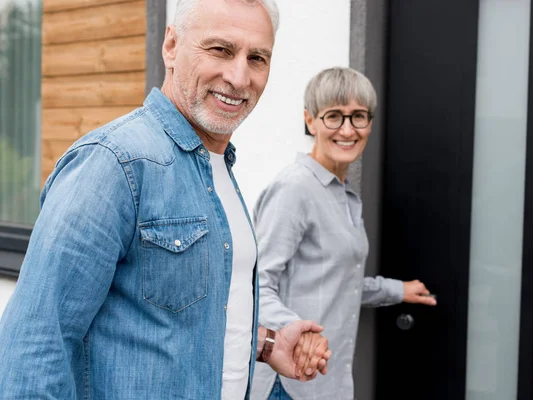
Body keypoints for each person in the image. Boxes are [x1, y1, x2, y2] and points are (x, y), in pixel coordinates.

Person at [0, 0, 331, 398]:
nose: (240, 76)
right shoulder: (114, 163)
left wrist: (267, 344)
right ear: (171, 46)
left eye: (257, 57)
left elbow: (179, 319)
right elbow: (35, 346)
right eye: (220, 50)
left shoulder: (218, 167)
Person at [249, 66, 438, 400]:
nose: (348, 130)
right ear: (310, 121)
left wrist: (396, 290)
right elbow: (255, 284)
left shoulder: (345, 195)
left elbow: (337, 280)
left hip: (329, 383)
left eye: (359, 116)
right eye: (334, 116)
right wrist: (300, 332)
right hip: (290, 384)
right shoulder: (294, 188)